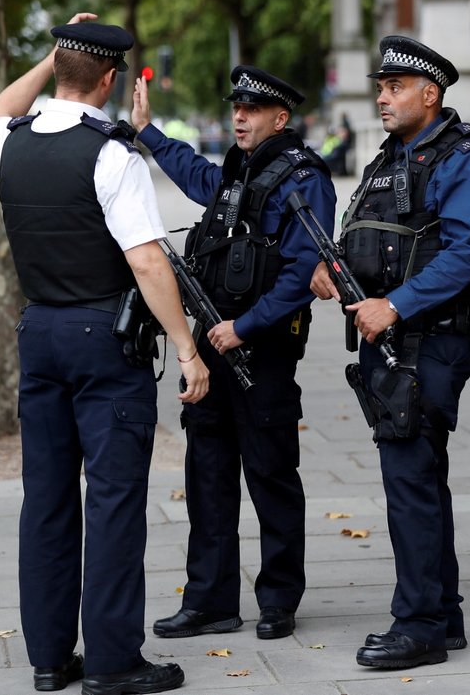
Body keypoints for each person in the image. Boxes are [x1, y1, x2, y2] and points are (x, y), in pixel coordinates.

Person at [0, 14, 208, 694]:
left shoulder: (11, 143)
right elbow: (147, 263)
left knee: (46, 501)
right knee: (112, 501)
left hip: (40, 333)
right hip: (104, 343)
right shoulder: (112, 155)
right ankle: (113, 661)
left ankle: (51, 659)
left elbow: (0, 106)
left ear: (60, 69)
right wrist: (187, 346)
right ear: (112, 79)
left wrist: (56, 59)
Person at [311, 36, 470, 669]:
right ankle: (441, 615)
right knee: (419, 477)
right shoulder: (391, 156)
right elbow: (376, 236)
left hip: (429, 336)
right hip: (389, 336)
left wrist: (394, 305)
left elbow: (469, 249)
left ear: (431, 93)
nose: (383, 97)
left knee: (410, 479)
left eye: (395, 88)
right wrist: (332, 270)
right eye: (380, 87)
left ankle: (417, 624)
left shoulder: (465, 154)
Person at [130, 66, 337, 640]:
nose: (239, 117)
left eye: (252, 109)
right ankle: (211, 600)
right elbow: (197, 176)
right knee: (208, 476)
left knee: (271, 476)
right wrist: (147, 133)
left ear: (281, 118)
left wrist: (244, 327)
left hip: (260, 351)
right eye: (236, 108)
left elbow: (302, 269)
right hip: (213, 345)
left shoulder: (305, 177)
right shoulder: (237, 169)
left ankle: (278, 601)